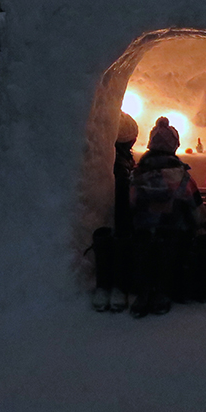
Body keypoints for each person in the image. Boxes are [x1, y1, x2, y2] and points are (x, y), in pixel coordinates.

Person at [128, 116, 203, 317]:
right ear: (174, 146)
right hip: (173, 232)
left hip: (143, 232)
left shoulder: (137, 174)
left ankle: (143, 294)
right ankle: (162, 293)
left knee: (144, 255)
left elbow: (132, 203)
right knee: (168, 256)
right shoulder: (181, 175)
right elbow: (195, 207)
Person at [91, 112, 138, 313]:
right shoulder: (120, 164)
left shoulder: (120, 159)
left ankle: (108, 284)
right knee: (121, 235)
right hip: (118, 211)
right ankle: (116, 284)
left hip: (114, 210)